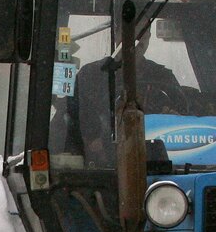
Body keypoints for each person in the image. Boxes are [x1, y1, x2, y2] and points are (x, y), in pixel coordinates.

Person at [56, 30, 189, 166]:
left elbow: (186, 126)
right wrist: (92, 140)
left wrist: (173, 120)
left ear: (149, 36)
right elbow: (67, 122)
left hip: (159, 167)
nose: (137, 38)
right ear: (117, 33)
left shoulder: (163, 77)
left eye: (143, 32)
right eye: (132, 31)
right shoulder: (90, 76)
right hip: (97, 169)